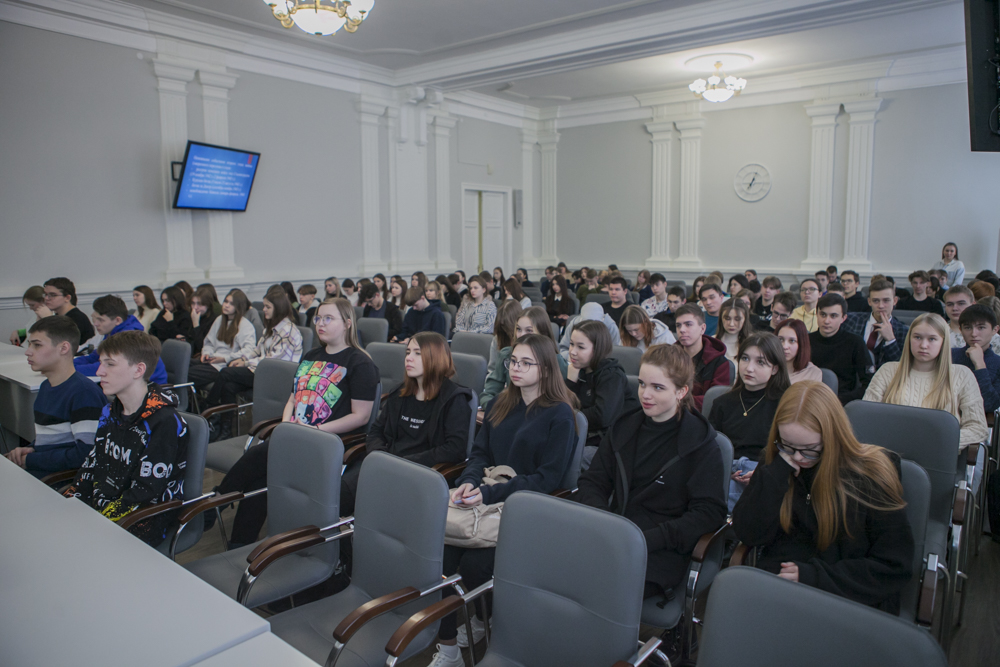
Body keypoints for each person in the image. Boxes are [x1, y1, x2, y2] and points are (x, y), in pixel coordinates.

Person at [431, 334, 577, 666]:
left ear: (546, 368)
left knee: (475, 566)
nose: (516, 368)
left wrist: (487, 493)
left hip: (526, 509)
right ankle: (448, 648)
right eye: (513, 361)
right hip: (484, 498)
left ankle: (482, 618)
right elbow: (479, 454)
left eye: (526, 363)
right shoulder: (500, 403)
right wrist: (469, 483)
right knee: (440, 556)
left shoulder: (560, 414)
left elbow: (547, 479)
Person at [731, 381, 914, 613]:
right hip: (784, 591)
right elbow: (748, 533)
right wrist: (775, 475)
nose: (798, 458)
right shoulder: (778, 462)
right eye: (788, 445)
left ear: (832, 437)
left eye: (809, 449)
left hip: (847, 598)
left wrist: (813, 577)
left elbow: (894, 566)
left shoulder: (871, 476)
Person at [575, 344, 727, 617]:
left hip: (662, 548)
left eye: (658, 387)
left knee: (595, 590)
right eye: (643, 384)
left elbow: (708, 513)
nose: (645, 394)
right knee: (559, 570)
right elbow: (593, 481)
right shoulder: (624, 427)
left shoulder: (700, 444)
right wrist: (604, 522)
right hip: (615, 532)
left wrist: (648, 539)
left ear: (681, 392)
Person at [217, 299, 378, 547]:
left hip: (327, 441)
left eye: (328, 318)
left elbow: (361, 416)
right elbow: (293, 399)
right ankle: (237, 542)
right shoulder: (311, 356)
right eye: (318, 318)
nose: (320, 323)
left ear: (347, 323)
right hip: (296, 436)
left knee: (260, 456)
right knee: (261, 478)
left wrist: (315, 430)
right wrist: (286, 426)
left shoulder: (360, 363)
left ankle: (216, 502)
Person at [63, 331, 188, 547]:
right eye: (101, 363)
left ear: (138, 370)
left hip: (140, 520)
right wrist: (71, 500)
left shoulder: (164, 421)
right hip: (102, 509)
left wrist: (95, 519)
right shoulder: (109, 411)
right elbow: (92, 464)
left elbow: (145, 492)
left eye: (110, 364)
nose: (99, 371)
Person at [340, 333, 473, 516]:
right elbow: (376, 431)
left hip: (420, 473)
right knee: (339, 491)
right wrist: (380, 454)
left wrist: (403, 463)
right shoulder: (399, 393)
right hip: (386, 464)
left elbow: (454, 449)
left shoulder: (454, 399)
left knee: (359, 498)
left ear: (435, 357)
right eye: (408, 352)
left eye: (417, 353)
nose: (409, 358)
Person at [864, 313, 988, 449]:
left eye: (932, 339)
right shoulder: (887, 371)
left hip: (938, 453)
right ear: (909, 339)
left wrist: (934, 443)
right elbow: (866, 417)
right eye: (917, 337)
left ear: (943, 342)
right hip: (889, 451)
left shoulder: (962, 375)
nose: (923, 345)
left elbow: (978, 428)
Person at [5, 316, 107, 478]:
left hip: (58, 480)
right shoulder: (46, 386)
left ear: (63, 348)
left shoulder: (83, 393)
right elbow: (54, 439)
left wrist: (31, 460)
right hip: (43, 470)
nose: (28, 351)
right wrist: (32, 448)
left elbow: (86, 454)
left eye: (37, 345)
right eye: (30, 344)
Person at [709, 333, 790, 510]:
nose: (749, 368)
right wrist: (726, 471)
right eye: (745, 358)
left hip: (766, 474)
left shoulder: (786, 404)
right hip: (727, 471)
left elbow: (788, 452)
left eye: (760, 362)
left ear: (775, 369)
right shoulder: (722, 403)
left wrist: (761, 473)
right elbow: (711, 448)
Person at [207, 287, 303, 420]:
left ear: (279, 308)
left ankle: (209, 409)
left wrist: (246, 363)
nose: (264, 310)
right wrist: (243, 359)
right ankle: (223, 427)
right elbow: (257, 350)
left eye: (268, 307)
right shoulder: (271, 328)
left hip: (276, 377)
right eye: (264, 306)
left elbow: (272, 362)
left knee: (226, 372)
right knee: (228, 387)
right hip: (261, 372)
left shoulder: (288, 332)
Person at [566, 320, 640, 465]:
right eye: (571, 344)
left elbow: (602, 416)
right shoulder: (578, 372)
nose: (572, 351)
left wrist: (570, 416)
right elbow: (563, 406)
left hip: (607, 442)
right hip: (583, 437)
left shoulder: (611, 376)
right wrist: (570, 382)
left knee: (570, 457)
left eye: (581, 347)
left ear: (597, 349)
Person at [480, 306, 566, 409]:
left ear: (543, 333)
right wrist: (500, 410)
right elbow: (488, 394)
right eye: (518, 329)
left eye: (529, 330)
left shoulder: (556, 360)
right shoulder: (506, 354)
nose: (521, 335)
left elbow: (563, 398)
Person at [74, 294, 168, 384]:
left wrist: (70, 369)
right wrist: (69, 364)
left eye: (101, 320)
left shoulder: (128, 339)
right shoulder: (112, 333)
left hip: (149, 387)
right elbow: (94, 357)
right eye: (95, 319)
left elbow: (105, 367)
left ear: (118, 320)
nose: (96, 324)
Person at [186, 289, 256, 392]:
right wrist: (206, 353)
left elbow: (249, 350)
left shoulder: (245, 325)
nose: (226, 305)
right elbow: (209, 343)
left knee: (186, 373)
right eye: (226, 301)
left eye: (231, 304)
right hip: (211, 361)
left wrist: (224, 358)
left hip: (223, 366)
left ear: (238, 307)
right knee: (182, 364)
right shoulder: (219, 320)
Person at [809, 293, 872, 405]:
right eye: (823, 314)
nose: (826, 321)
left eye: (833, 316)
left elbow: (869, 383)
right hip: (810, 399)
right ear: (816, 314)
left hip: (842, 402)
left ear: (843, 318)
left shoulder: (855, 342)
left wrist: (840, 400)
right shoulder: (806, 340)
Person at [841, 279, 909, 371]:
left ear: (895, 301)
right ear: (869, 301)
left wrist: (890, 340)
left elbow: (900, 368)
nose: (881, 306)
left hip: (884, 378)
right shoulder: (851, 321)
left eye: (886, 300)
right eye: (876, 301)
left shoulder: (903, 331)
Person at [673, 304, 729, 412]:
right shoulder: (668, 358)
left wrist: (675, 401)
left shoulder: (719, 363)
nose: (682, 330)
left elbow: (715, 400)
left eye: (688, 324)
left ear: (702, 328)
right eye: (678, 325)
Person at [951, 304, 1000, 413]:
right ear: (960, 330)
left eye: (981, 328)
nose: (974, 334)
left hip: (981, 420)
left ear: (995, 330)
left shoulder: (998, 364)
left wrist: (980, 365)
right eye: (967, 328)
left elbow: (989, 405)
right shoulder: (950, 355)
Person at [42, 277, 95, 344]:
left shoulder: (77, 318)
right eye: (45, 294)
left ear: (67, 298)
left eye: (52, 295)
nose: (46, 298)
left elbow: (58, 343)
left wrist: (47, 320)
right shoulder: (59, 316)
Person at [558, 302, 623, 355]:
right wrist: (571, 358)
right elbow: (563, 349)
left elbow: (615, 353)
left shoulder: (610, 326)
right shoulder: (574, 324)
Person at [777, 319, 823, 384]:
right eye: (780, 339)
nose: (784, 346)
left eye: (792, 341)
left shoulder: (813, 373)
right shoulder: (767, 367)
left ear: (801, 343)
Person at [188, 286, 220, 357]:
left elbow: (202, 346)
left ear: (207, 305)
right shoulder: (192, 315)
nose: (195, 307)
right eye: (193, 303)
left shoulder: (214, 320)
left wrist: (196, 324)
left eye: (199, 304)